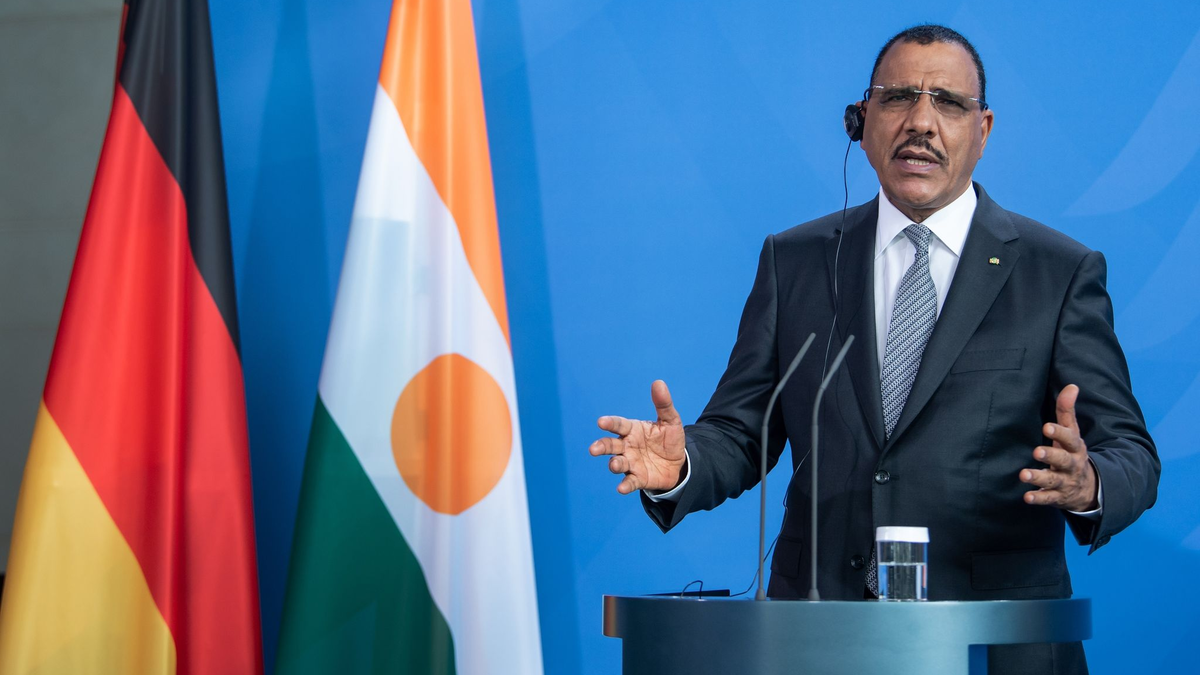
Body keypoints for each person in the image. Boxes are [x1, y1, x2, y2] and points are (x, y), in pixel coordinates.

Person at [588, 24, 1159, 675]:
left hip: (994, 649)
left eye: (947, 102)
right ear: (861, 123)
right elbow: (743, 432)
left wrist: (1088, 483)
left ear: (984, 129)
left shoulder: (1058, 272)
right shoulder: (796, 260)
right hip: (817, 644)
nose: (921, 122)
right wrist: (684, 460)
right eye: (897, 99)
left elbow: (1132, 453)